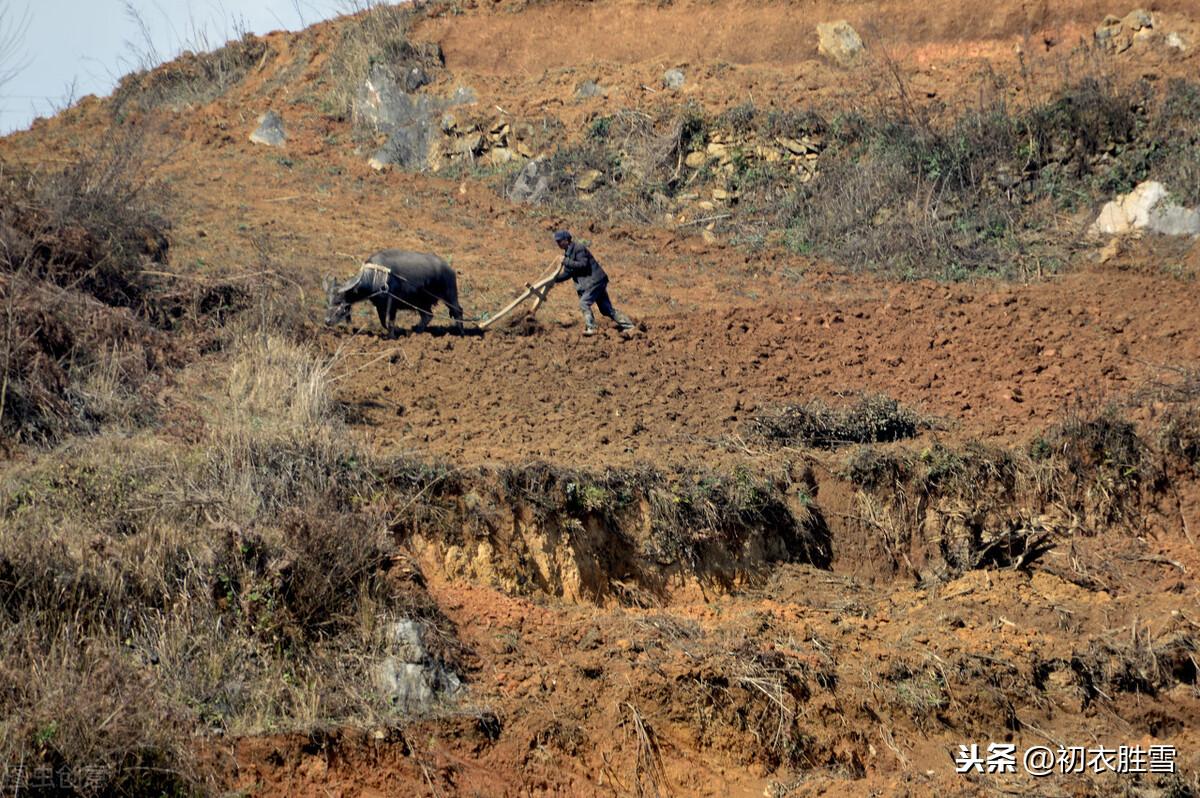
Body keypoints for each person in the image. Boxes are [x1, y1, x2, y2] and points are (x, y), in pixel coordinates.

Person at [552, 230, 635, 335]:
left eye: (559, 241)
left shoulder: (578, 248)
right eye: (557, 242)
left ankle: (592, 327)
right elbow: (568, 273)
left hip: (594, 281)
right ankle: (629, 326)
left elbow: (583, 264)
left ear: (566, 240)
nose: (558, 244)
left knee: (584, 303)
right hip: (595, 282)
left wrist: (565, 261)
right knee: (606, 309)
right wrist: (554, 279)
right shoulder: (568, 254)